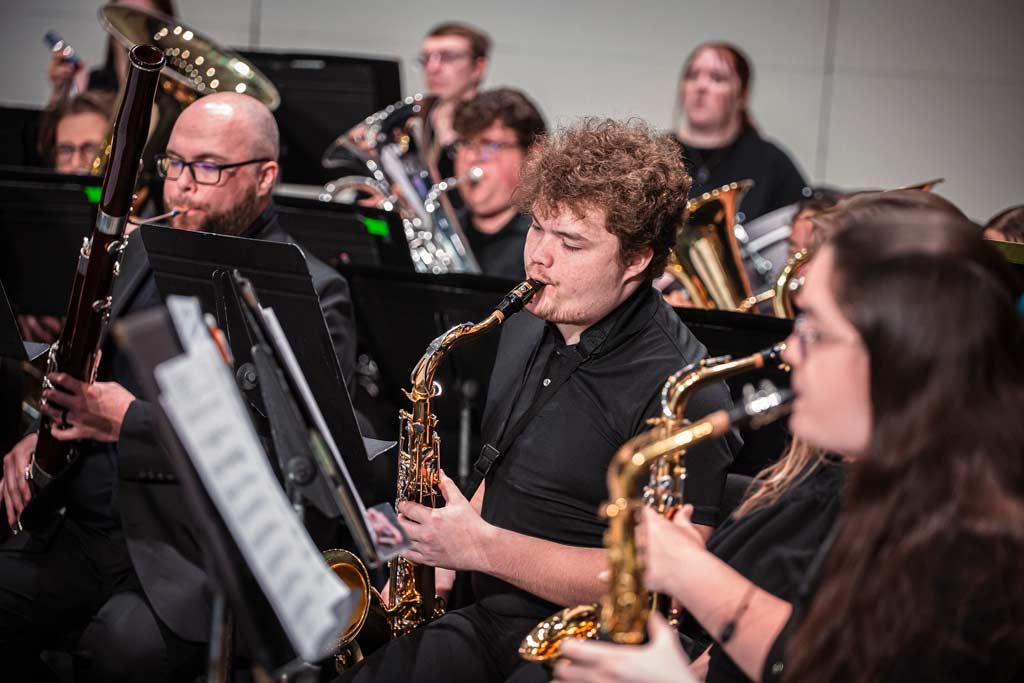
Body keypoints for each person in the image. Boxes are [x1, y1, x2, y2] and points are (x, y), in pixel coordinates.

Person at [552, 191, 1024, 682]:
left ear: (897, 358)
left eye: (814, 332)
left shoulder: (971, 558)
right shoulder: (893, 496)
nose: (789, 354)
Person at [336, 119, 739, 683]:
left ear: (637, 259)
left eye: (570, 242)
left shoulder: (685, 391)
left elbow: (663, 577)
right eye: (537, 229)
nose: (539, 259)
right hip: (487, 610)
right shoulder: (532, 317)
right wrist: (442, 552)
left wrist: (481, 547)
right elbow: (505, 466)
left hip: (592, 643)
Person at [0, 92, 358, 682]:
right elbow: (86, 375)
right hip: (86, 528)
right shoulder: (141, 246)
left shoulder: (311, 290)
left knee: (119, 651)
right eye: (173, 163)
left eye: (208, 167)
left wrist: (131, 421)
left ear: (265, 177)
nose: (181, 186)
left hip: (189, 553)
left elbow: (292, 455)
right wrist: (38, 438)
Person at [673, 42, 806, 222]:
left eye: (717, 78)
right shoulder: (654, 156)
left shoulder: (771, 163)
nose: (701, 86)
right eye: (692, 75)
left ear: (742, 95)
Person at [453, 87, 546, 280]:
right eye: (465, 143)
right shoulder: (447, 228)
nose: (470, 157)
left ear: (533, 156)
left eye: (488, 145)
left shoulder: (545, 243)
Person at [45, 0, 178, 104]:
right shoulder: (92, 84)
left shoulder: (178, 91)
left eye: (142, 19)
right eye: (123, 18)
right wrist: (64, 94)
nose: (130, 30)